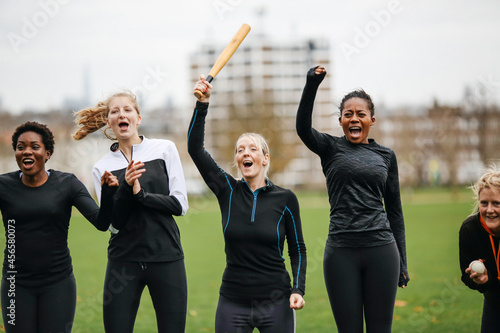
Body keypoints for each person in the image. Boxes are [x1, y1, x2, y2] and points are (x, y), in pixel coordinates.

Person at [188, 75, 307, 333]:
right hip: (233, 302)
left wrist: (297, 289)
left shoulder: (286, 199)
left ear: (265, 159)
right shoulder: (226, 190)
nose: (245, 153)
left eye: (252, 149)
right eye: (240, 150)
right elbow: (195, 149)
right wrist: (202, 104)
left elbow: (297, 249)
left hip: (276, 302)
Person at [296, 66, 409, 332]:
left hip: (382, 250)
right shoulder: (330, 148)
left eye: (361, 114)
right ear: (341, 121)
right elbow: (302, 128)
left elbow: (395, 210)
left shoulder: (386, 156)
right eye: (348, 114)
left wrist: (403, 261)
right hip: (340, 252)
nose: (354, 119)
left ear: (372, 120)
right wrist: (312, 84)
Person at [73, 91, 189, 333]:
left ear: (138, 118)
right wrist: (123, 188)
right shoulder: (102, 167)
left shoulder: (164, 149)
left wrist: (141, 195)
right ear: (109, 122)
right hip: (123, 262)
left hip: (166, 257)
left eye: (127, 109)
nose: (121, 114)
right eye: (114, 111)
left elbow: (180, 205)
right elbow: (113, 224)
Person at [0, 121, 116, 333]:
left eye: (35, 146)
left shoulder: (67, 184)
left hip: (57, 284)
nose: (27, 151)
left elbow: (102, 222)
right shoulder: (3, 186)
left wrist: (107, 195)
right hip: (15, 285)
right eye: (20, 146)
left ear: (47, 153)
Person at [459, 167, 500, 332]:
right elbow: (465, 276)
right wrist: (481, 281)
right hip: (494, 303)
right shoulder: (470, 230)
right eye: (484, 203)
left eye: (496, 203)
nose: (489, 210)